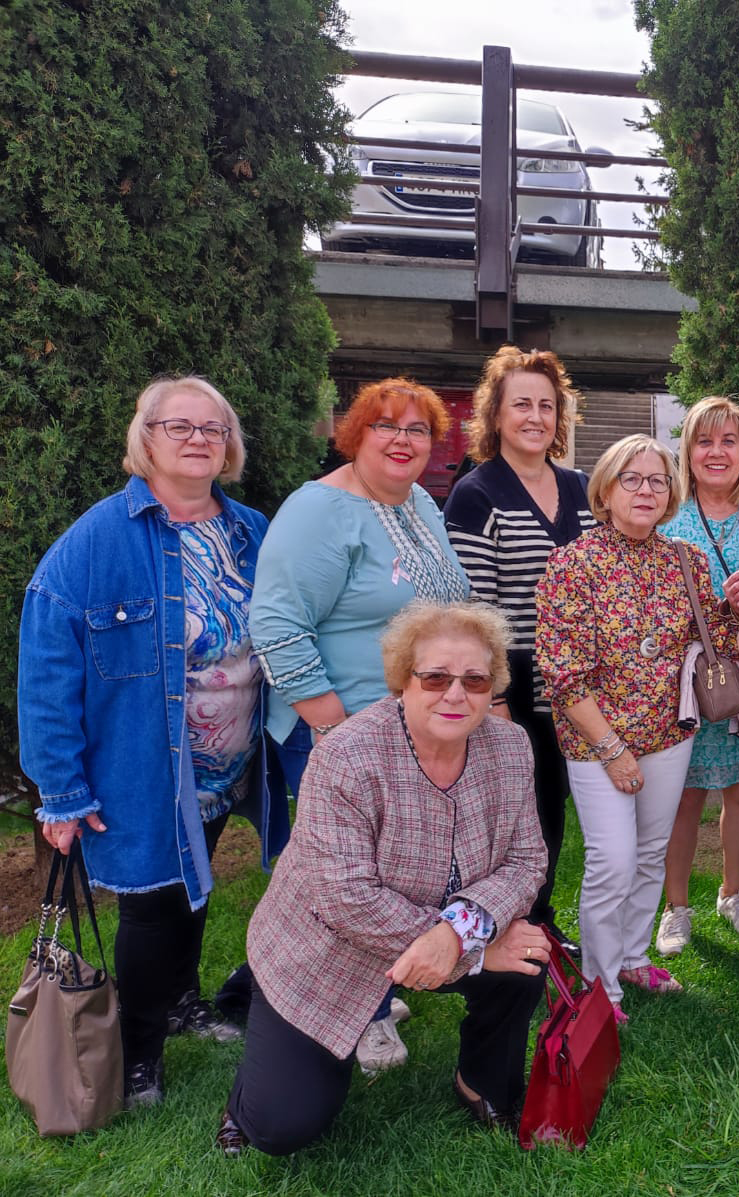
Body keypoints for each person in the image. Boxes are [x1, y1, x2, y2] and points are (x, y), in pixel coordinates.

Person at [18, 376, 289, 1107]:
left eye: (213, 427)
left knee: (194, 889)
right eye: (180, 426)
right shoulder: (97, 542)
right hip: (146, 764)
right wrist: (62, 790)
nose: (199, 438)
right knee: (149, 903)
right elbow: (47, 667)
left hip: (231, 762)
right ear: (146, 439)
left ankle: (178, 1003)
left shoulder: (250, 532)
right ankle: (138, 1052)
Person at [216, 602, 550, 1156]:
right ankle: (247, 1078)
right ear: (402, 681)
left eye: (474, 680)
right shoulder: (346, 756)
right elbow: (344, 897)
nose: (455, 694)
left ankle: (480, 1081)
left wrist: (462, 934)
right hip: (327, 946)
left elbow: (526, 860)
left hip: (441, 928)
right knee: (282, 1127)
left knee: (525, 950)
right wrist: (469, 949)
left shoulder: (511, 747)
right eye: (436, 677)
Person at [534, 435, 739, 1009]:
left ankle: (634, 958)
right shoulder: (573, 563)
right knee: (611, 862)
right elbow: (563, 674)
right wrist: (612, 750)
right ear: (606, 491)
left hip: (669, 735)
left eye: (658, 480)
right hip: (599, 745)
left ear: (670, 494)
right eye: (632, 479)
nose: (646, 490)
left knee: (647, 853)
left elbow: (720, 641)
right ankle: (599, 985)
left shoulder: (680, 560)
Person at [251, 376, 470, 1073]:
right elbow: (277, 623)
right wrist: (333, 725)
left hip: (407, 732)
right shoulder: (320, 510)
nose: (402, 441)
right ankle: (351, 1016)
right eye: (387, 426)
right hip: (337, 731)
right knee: (342, 879)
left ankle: (371, 988)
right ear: (355, 434)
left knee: (390, 872)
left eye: (418, 430)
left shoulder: (420, 506)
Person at [443, 346, 596, 946]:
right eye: (521, 404)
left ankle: (541, 921)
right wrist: (497, 693)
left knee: (553, 802)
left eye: (547, 406)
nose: (535, 416)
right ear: (496, 415)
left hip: (579, 677)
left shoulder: (582, 488)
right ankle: (508, 927)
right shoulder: (477, 493)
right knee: (515, 809)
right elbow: (476, 608)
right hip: (515, 674)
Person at [655, 397, 739, 957]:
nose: (717, 451)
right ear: (689, 452)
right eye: (705, 441)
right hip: (684, 682)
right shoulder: (666, 517)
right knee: (683, 794)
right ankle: (676, 908)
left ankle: (732, 895)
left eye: (729, 440)